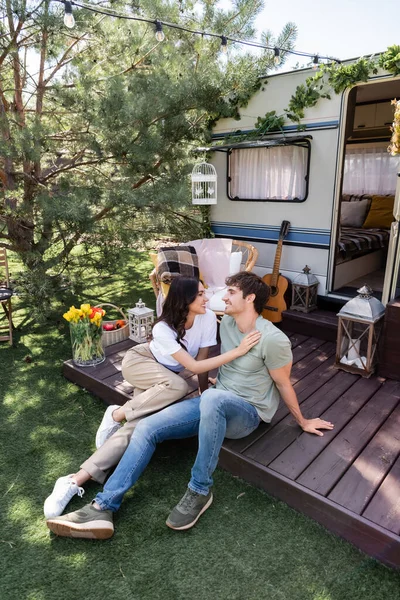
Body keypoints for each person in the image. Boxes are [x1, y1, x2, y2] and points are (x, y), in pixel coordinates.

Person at [46, 272, 333, 539]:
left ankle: (199, 489)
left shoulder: (273, 339)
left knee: (212, 397)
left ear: (250, 299)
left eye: (231, 292)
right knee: (146, 427)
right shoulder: (230, 321)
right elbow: (192, 324)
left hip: (247, 414)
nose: (223, 297)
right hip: (212, 402)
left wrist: (303, 420)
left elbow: (283, 383)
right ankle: (102, 508)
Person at [44, 275, 260, 519]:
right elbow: (195, 366)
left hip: (165, 379)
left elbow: (202, 360)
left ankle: (74, 480)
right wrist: (239, 351)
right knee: (177, 386)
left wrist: (203, 392)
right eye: (200, 294)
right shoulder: (162, 327)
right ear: (184, 298)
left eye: (205, 292)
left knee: (137, 427)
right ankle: (117, 413)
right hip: (142, 363)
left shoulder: (208, 318)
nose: (207, 297)